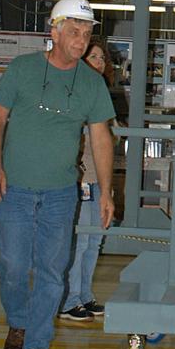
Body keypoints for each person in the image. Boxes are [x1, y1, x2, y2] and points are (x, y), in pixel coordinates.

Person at [0, 0, 116, 349]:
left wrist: (106, 191)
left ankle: (37, 346)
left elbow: (101, 138)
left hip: (61, 193)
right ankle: (19, 323)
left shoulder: (91, 83)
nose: (82, 39)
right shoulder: (23, 70)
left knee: (52, 272)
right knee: (12, 266)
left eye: (88, 32)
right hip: (16, 188)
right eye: (74, 31)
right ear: (54, 31)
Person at [59, 38, 121, 323]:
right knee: (80, 241)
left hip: (99, 180)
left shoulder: (101, 95)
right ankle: (68, 299)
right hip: (82, 177)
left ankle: (85, 294)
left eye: (102, 59)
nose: (99, 63)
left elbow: (111, 135)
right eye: (94, 58)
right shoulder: (74, 93)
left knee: (95, 239)